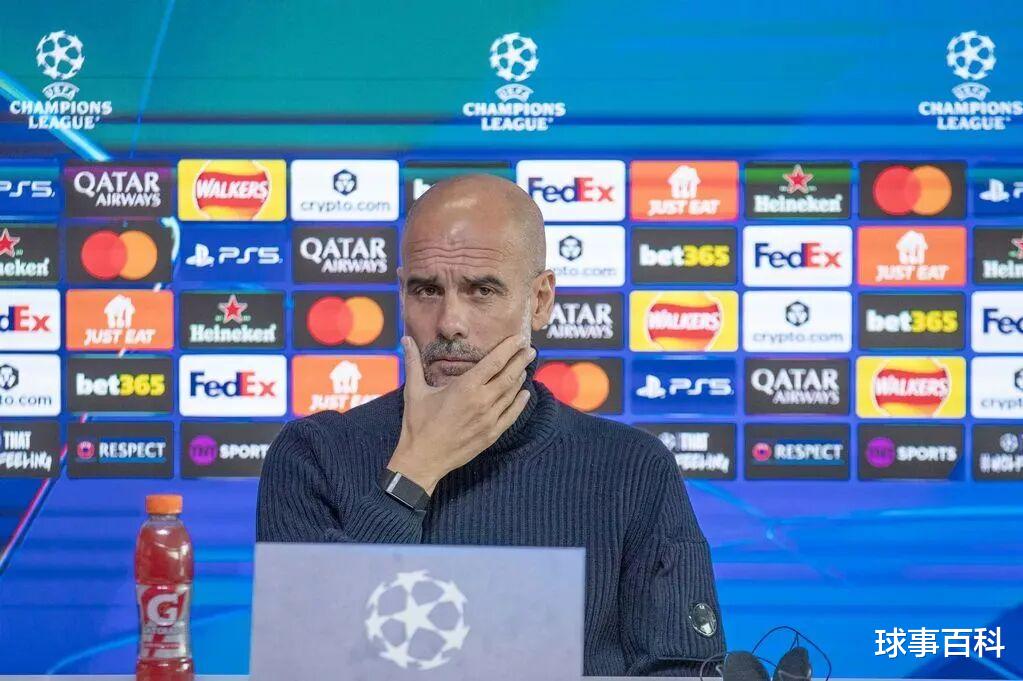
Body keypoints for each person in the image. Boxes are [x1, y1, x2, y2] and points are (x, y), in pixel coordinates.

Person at [257, 174, 726, 676]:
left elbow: (683, 671)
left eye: (481, 290)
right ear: (401, 294)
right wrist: (415, 470)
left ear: (540, 300)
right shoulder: (313, 455)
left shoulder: (632, 467)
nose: (449, 322)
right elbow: (305, 662)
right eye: (426, 290)